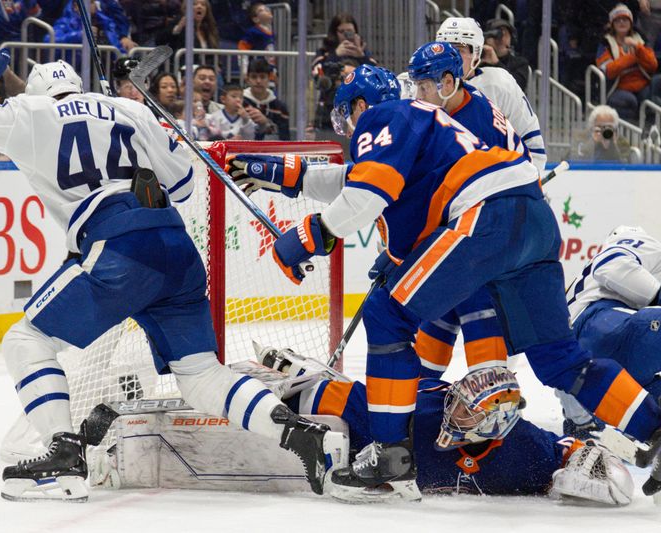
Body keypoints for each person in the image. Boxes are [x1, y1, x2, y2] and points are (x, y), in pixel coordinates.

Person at [0, 29, 346, 502]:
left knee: (25, 339)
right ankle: (307, 438)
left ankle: (64, 456)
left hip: (117, 247)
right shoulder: (129, 109)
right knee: (200, 375)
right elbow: (188, 184)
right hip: (174, 246)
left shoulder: (30, 112)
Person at [226, 64, 661, 499]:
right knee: (562, 361)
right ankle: (656, 429)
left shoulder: (384, 115)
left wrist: (307, 236)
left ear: (360, 106)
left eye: (347, 118)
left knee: (386, 315)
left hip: (484, 214)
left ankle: (390, 454)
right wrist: (279, 174)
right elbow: (349, 181)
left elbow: (364, 193)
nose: (349, 129)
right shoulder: (425, 125)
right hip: (531, 220)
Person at [262, 349, 634, 505]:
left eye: (468, 414)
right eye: (458, 403)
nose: (454, 415)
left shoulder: (526, 449)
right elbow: (348, 398)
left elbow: (581, 454)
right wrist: (275, 400)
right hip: (412, 391)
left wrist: (591, 473)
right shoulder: (419, 416)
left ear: (493, 427)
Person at [406, 41, 528, 380]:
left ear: (448, 83)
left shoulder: (477, 122)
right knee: (442, 300)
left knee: (475, 302)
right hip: (482, 223)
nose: (418, 93)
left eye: (424, 86)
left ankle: (491, 389)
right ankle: (422, 388)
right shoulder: (457, 105)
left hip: (499, 225)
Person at [559, 226, 661, 437]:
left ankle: (584, 424)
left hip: (587, 373)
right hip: (600, 326)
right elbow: (610, 264)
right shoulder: (637, 239)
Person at [436, 17, 546, 172]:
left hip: (491, 184)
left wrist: (523, 183)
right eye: (445, 50)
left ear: (477, 53)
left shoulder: (499, 83)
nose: (450, 57)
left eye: (459, 50)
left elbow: (534, 149)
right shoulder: (423, 85)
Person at [312, 13, 376, 133]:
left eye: (350, 31)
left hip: (359, 109)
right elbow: (318, 76)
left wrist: (362, 57)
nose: (346, 36)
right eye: (342, 31)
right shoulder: (325, 52)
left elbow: (377, 78)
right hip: (330, 108)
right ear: (334, 32)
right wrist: (335, 55)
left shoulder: (362, 51)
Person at [596, 3, 661, 121]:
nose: (622, 22)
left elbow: (652, 65)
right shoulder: (606, 43)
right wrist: (632, 58)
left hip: (641, 85)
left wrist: (638, 47)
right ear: (612, 24)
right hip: (618, 87)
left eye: (625, 20)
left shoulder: (639, 39)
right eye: (618, 20)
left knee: (654, 94)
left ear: (631, 23)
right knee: (629, 100)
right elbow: (607, 70)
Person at [242, 58, 289, 140]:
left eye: (262, 77)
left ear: (269, 78)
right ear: (247, 78)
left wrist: (266, 123)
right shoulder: (239, 103)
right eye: (254, 77)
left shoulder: (280, 108)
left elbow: (284, 138)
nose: (258, 81)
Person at [480, 18, 530, 90]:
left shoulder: (520, 63)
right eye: (496, 35)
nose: (501, 39)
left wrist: (497, 63)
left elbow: (518, 86)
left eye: (506, 35)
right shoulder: (479, 59)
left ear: (512, 39)